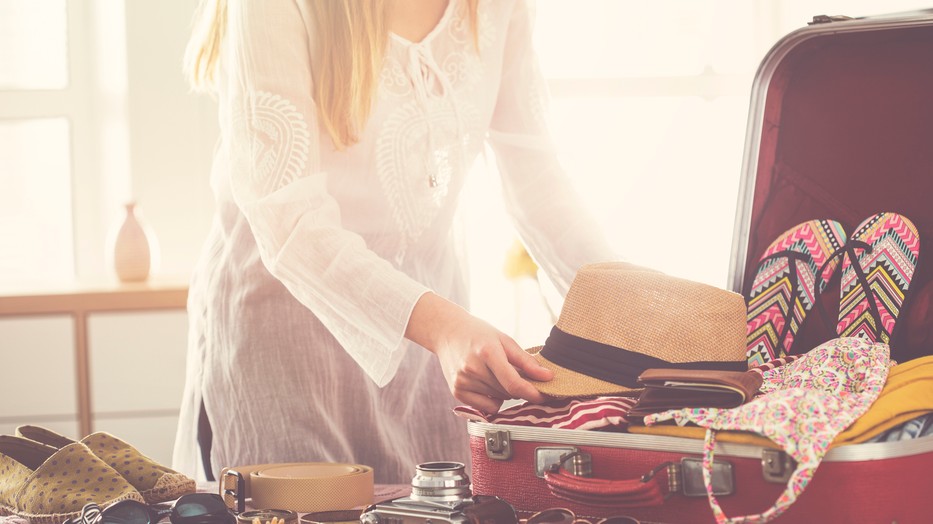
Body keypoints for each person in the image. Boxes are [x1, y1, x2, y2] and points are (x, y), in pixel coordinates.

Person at [173, 0, 620, 484]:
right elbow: (290, 220)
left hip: (424, 358)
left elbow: (537, 183)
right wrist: (445, 328)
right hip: (284, 349)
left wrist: (640, 312)